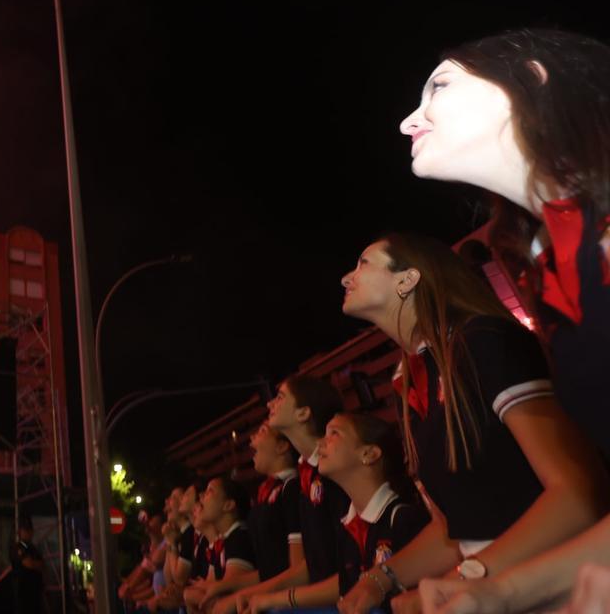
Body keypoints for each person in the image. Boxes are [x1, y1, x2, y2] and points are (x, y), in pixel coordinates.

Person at [335, 233, 606, 614]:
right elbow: (456, 530)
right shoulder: (412, 381)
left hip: (561, 588)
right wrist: (381, 580)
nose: (347, 278)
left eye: (363, 263)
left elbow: (578, 494)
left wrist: (468, 578)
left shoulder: (482, 341)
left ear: (407, 279)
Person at [246, 412, 430, 612]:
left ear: (368, 454)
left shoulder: (403, 518)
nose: (320, 444)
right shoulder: (347, 527)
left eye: (334, 434)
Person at [222, 375, 347, 614]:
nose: (269, 404)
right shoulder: (307, 475)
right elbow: (311, 564)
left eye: (279, 397)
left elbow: (353, 570)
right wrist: (251, 594)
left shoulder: (335, 469)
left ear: (303, 413)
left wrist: (276, 599)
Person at [184, 476, 257, 612]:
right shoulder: (224, 540)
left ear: (228, 505)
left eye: (209, 491)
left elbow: (227, 591)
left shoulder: (239, 537)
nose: (201, 497)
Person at [245, 424, 302, 583]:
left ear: (282, 446)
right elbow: (267, 570)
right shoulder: (265, 491)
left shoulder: (291, 488)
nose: (251, 439)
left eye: (262, 431)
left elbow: (296, 567)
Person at [11, 519, 44, 613]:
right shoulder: (18, 547)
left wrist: (34, 563)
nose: (28, 533)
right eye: (25, 530)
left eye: (29, 530)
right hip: (23, 591)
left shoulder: (33, 548)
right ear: (20, 532)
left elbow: (42, 564)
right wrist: (34, 563)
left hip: (35, 591)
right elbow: (29, 563)